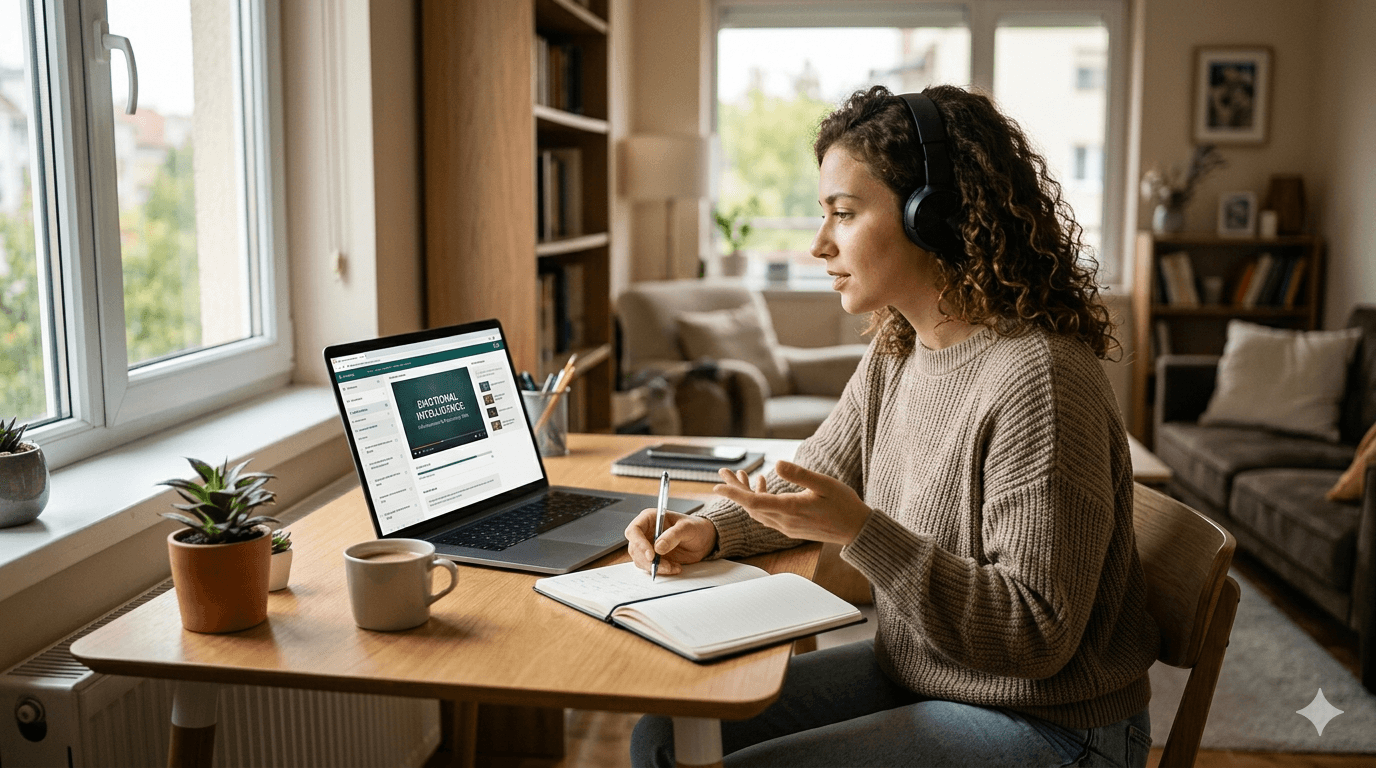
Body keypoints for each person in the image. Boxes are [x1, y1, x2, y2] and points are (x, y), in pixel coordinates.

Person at [624, 84, 1159, 768]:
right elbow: (809, 479)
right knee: (662, 737)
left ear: (931, 217)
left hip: (1054, 724)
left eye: (843, 213)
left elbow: (1035, 636)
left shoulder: (1040, 380)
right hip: (928, 676)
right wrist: (708, 526)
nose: (820, 244)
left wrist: (860, 532)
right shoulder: (898, 349)